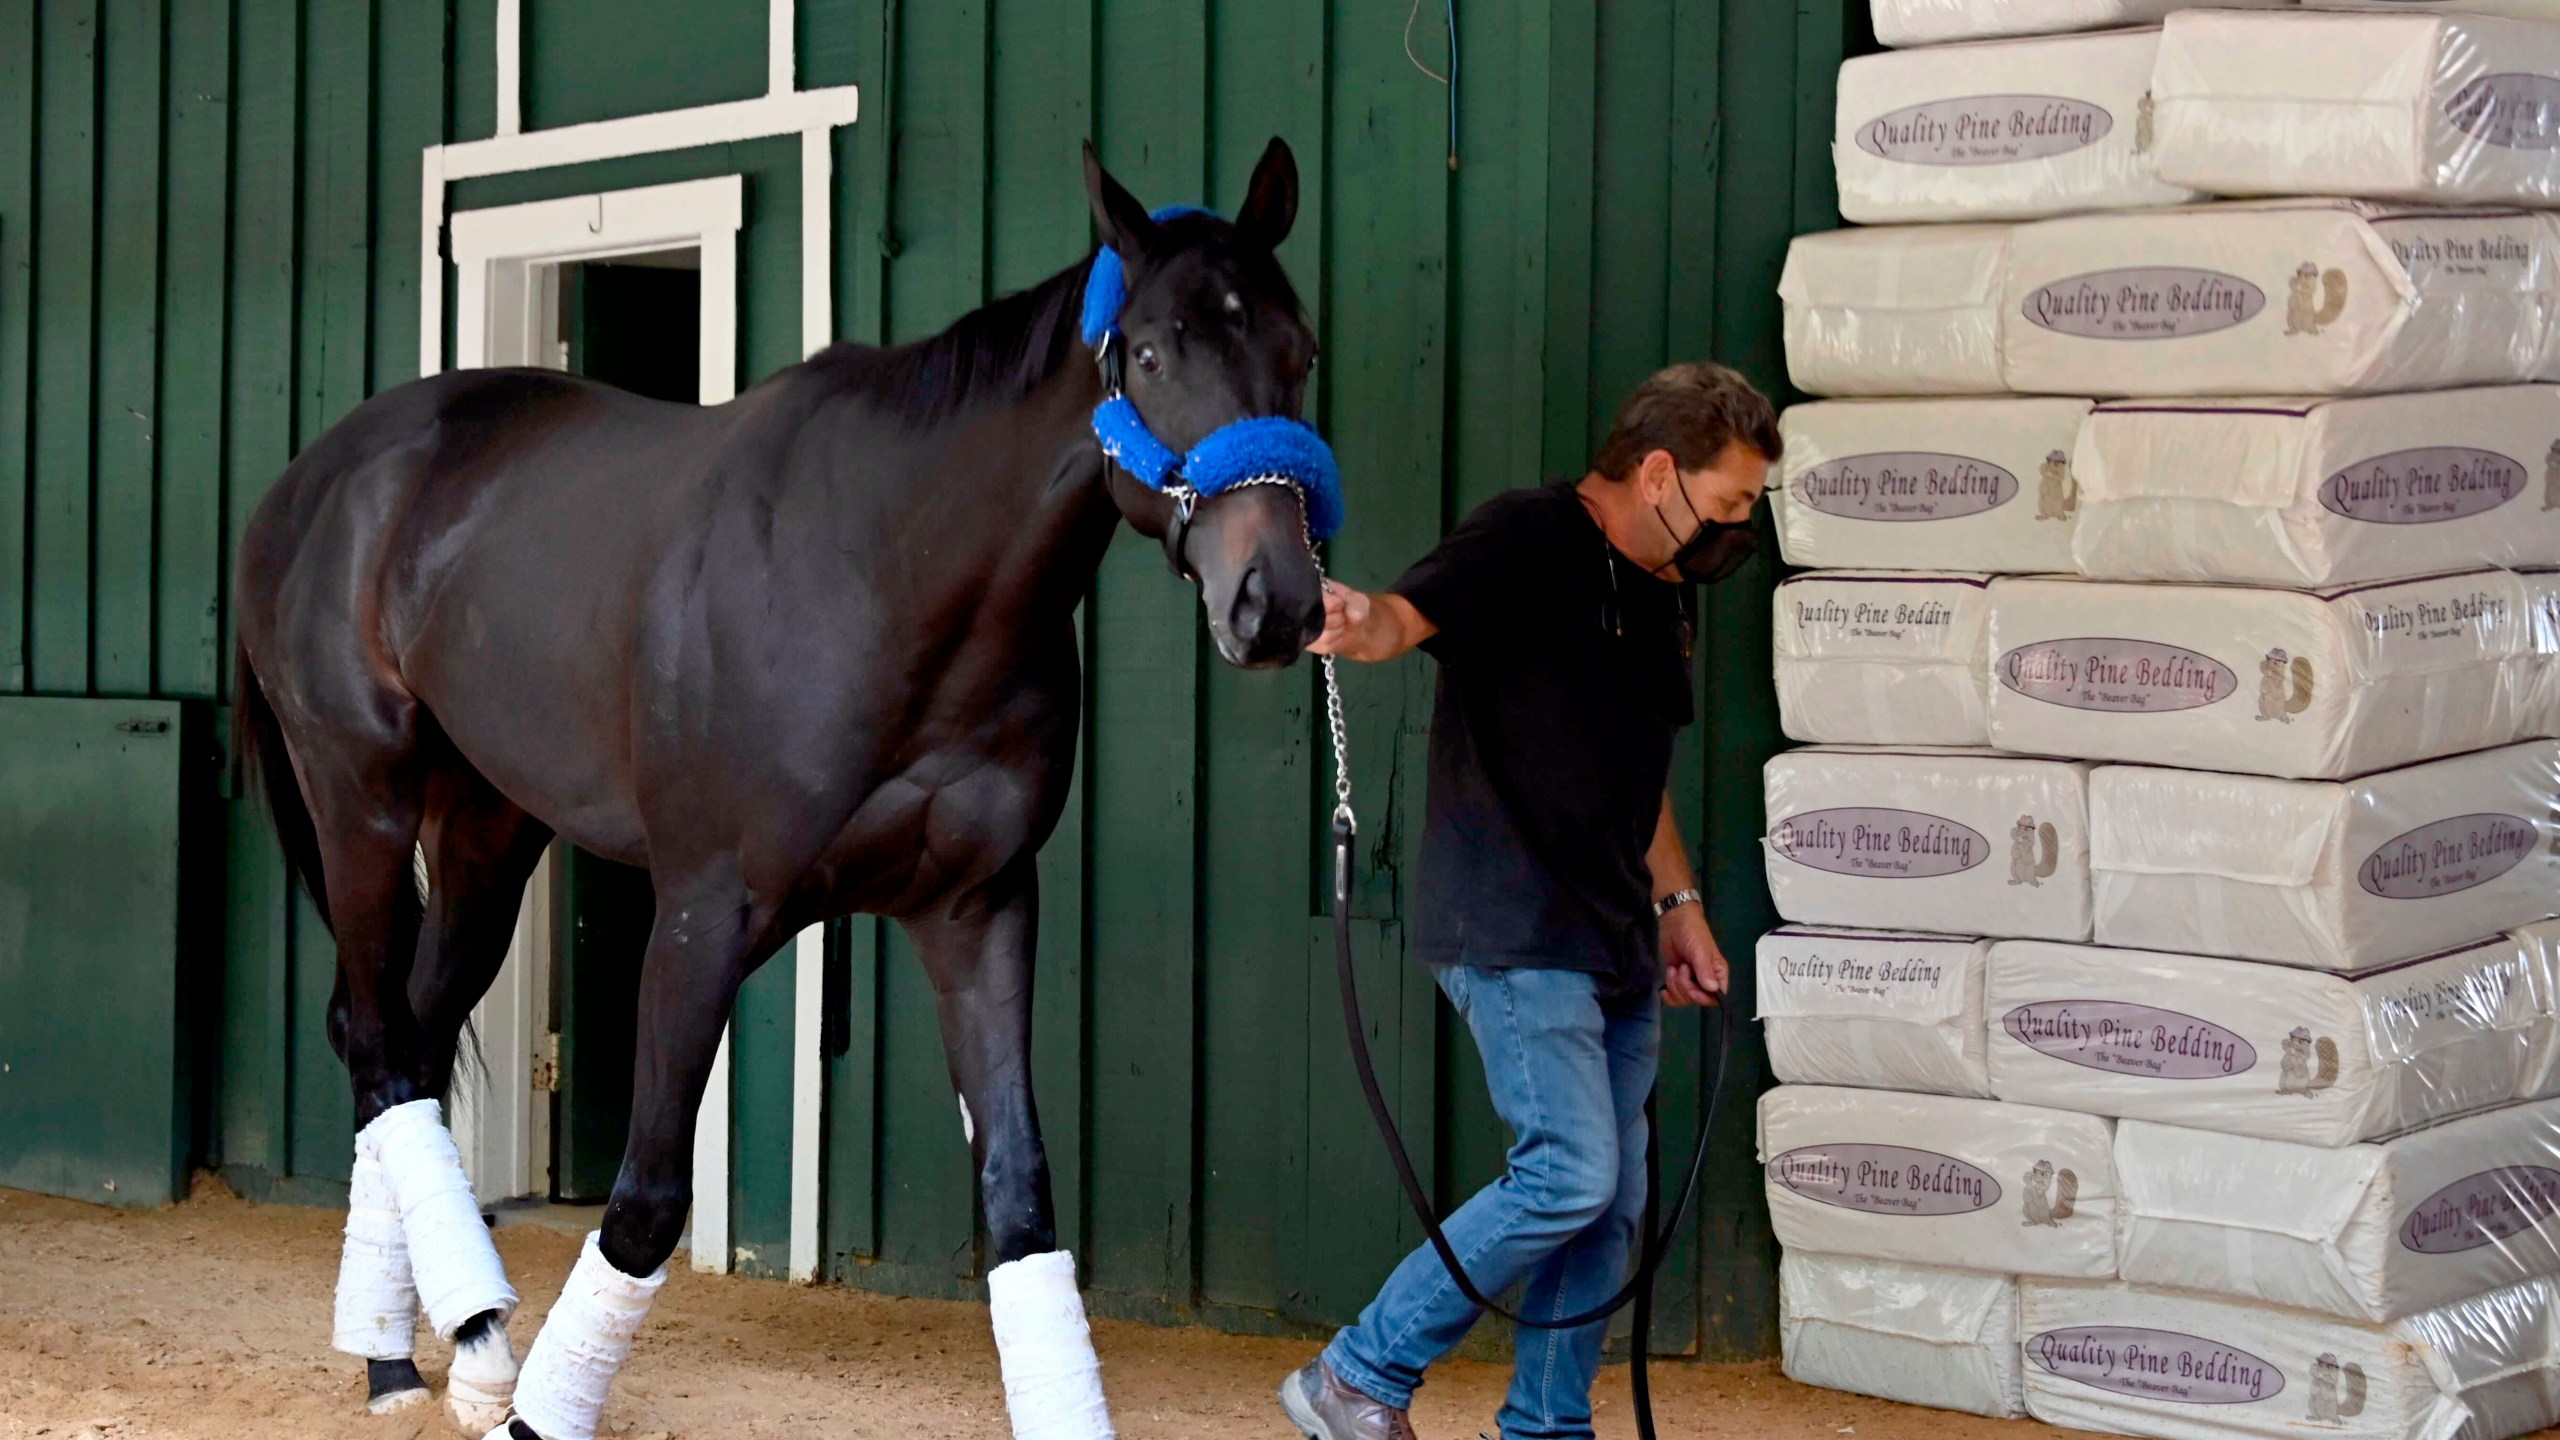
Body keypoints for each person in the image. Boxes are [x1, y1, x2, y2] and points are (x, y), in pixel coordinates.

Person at [1277, 362, 1779, 1440]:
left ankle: (1548, 1428)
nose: (1741, 526)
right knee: (1567, 1173)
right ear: (1659, 473)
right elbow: (1398, 622)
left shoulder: (1663, 594)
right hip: (1510, 920)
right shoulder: (1523, 538)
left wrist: (1678, 902)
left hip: (1615, 934)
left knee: (1612, 1208)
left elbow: (1636, 772)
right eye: (1732, 500)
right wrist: (1348, 616)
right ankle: (1357, 1373)